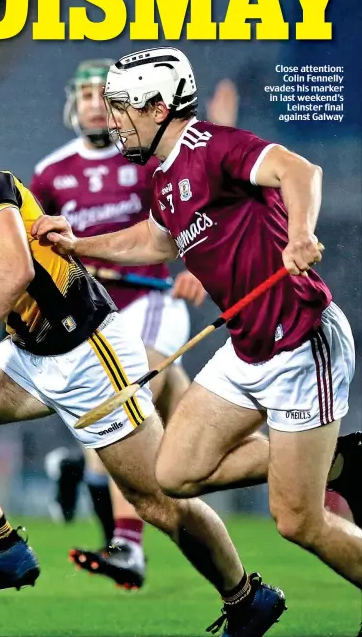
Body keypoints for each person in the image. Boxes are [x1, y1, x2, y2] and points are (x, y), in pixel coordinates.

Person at [32, 47, 362, 625]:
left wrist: (301, 234)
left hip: (301, 341)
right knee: (174, 473)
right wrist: (77, 246)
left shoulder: (212, 146)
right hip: (247, 346)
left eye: (122, 108)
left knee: (296, 521)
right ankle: (332, 458)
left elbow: (299, 171)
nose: (111, 120)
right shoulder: (160, 176)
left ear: (159, 108)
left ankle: (315, 470)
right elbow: (155, 242)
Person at [0, 164, 288, 637]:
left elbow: (14, 269)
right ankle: (1, 550)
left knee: (158, 501)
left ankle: (248, 598)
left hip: (90, 350)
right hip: (26, 354)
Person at [30, 59, 206, 588]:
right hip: (91, 313)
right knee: (190, 430)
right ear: (73, 104)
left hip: (148, 304)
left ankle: (126, 543)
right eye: (83, 95)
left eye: (100, 97)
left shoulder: (148, 164)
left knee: (121, 398)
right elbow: (33, 245)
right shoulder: (50, 173)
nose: (91, 105)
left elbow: (191, 217)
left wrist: (195, 266)